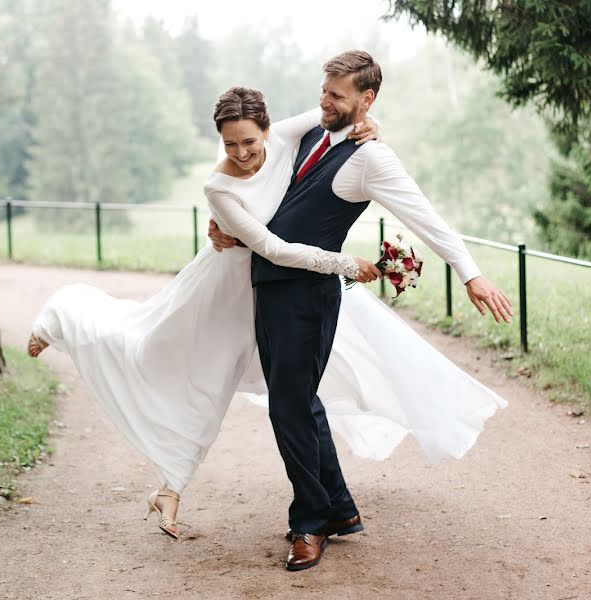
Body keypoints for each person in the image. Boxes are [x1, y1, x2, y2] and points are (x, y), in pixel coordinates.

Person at [208, 50, 512, 571]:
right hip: (271, 290)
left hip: (308, 297)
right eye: (323, 90)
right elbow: (262, 195)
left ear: (365, 100)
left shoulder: (372, 159)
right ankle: (340, 510)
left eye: (337, 96)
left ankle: (311, 521)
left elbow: (425, 217)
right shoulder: (307, 133)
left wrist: (470, 272)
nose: (324, 101)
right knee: (300, 401)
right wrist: (230, 232)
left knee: (288, 407)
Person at [27, 95, 382, 540]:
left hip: (280, 289)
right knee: (176, 365)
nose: (242, 153)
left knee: (299, 396)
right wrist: (344, 264)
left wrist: (371, 124)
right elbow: (270, 246)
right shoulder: (218, 187)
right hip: (227, 291)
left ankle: (334, 507)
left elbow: (341, 111)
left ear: (268, 130)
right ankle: (64, 316)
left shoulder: (289, 133)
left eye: (249, 141)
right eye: (229, 144)